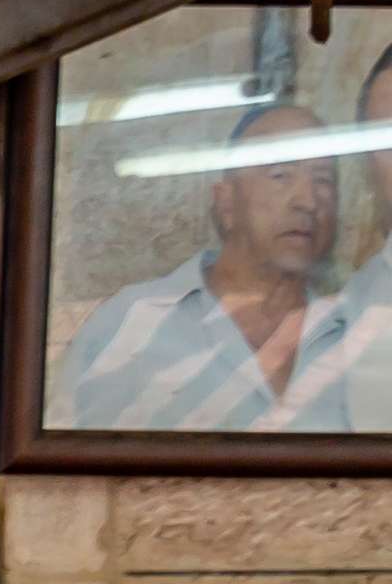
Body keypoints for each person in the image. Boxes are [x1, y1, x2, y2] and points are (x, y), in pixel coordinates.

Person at [59, 99, 362, 432]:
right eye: (280, 175)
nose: (307, 201)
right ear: (226, 201)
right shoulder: (130, 325)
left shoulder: (355, 335)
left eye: (323, 180)